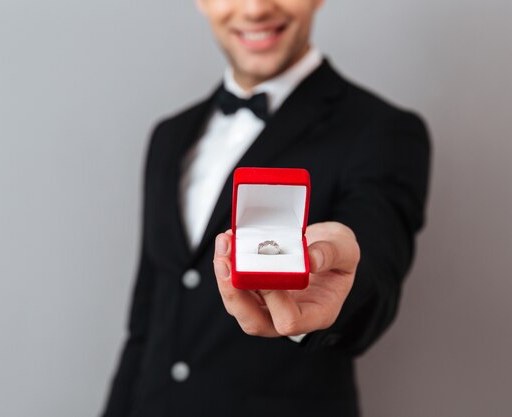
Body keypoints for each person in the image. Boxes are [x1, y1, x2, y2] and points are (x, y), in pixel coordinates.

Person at [101, 0, 431, 416]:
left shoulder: (383, 130)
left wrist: (344, 291)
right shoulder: (169, 136)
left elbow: (377, 267)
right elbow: (146, 320)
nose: (255, 9)